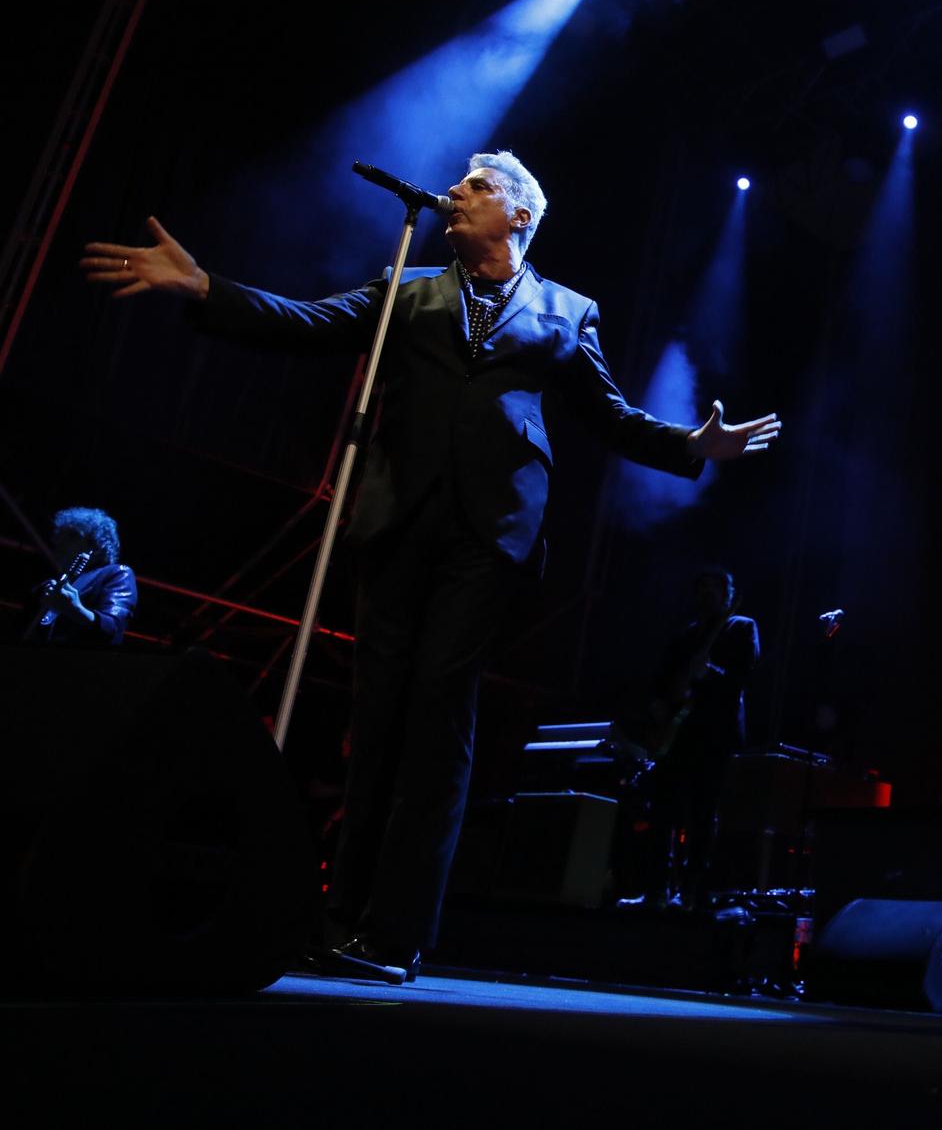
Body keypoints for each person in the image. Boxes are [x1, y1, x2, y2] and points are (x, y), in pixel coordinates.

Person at [80, 151, 782, 983]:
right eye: (460, 184)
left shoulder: (566, 311)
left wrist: (691, 446)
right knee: (377, 716)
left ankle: (396, 931)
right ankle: (339, 918)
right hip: (398, 519)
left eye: (478, 187)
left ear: (520, 214)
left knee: (438, 719)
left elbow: (609, 414)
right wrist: (205, 289)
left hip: (488, 536)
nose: (457, 193)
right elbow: (306, 321)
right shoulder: (408, 289)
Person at [614, 567, 760, 909]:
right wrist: (657, 707)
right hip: (676, 737)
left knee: (702, 813)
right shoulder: (685, 635)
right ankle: (656, 891)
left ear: (727, 594)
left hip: (714, 734)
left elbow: (743, 675)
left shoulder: (741, 627)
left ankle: (693, 891)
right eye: (702, 586)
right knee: (663, 811)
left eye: (715, 586)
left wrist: (711, 673)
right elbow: (662, 683)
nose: (708, 592)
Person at [19, 506, 138, 646]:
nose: (60, 541)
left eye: (72, 536)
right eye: (60, 535)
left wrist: (76, 609)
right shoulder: (49, 584)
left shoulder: (116, 573)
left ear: (97, 546)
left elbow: (112, 628)